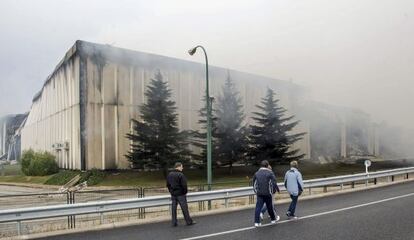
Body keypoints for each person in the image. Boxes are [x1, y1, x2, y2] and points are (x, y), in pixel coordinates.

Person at [166, 162, 196, 227]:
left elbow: (168, 185)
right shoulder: (181, 175)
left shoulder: (170, 174)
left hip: (173, 194)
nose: (182, 168)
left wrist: (171, 191)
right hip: (181, 194)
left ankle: (174, 222)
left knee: (173, 208)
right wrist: (184, 192)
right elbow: (184, 185)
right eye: (182, 166)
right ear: (178, 167)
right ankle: (188, 221)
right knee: (184, 208)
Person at [253, 160, 278, 227]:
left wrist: (256, 192)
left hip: (259, 193)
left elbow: (254, 184)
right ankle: (273, 220)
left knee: (258, 207)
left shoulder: (256, 173)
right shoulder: (270, 173)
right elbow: (274, 183)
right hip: (268, 193)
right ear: (267, 165)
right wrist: (272, 192)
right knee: (270, 207)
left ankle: (256, 222)